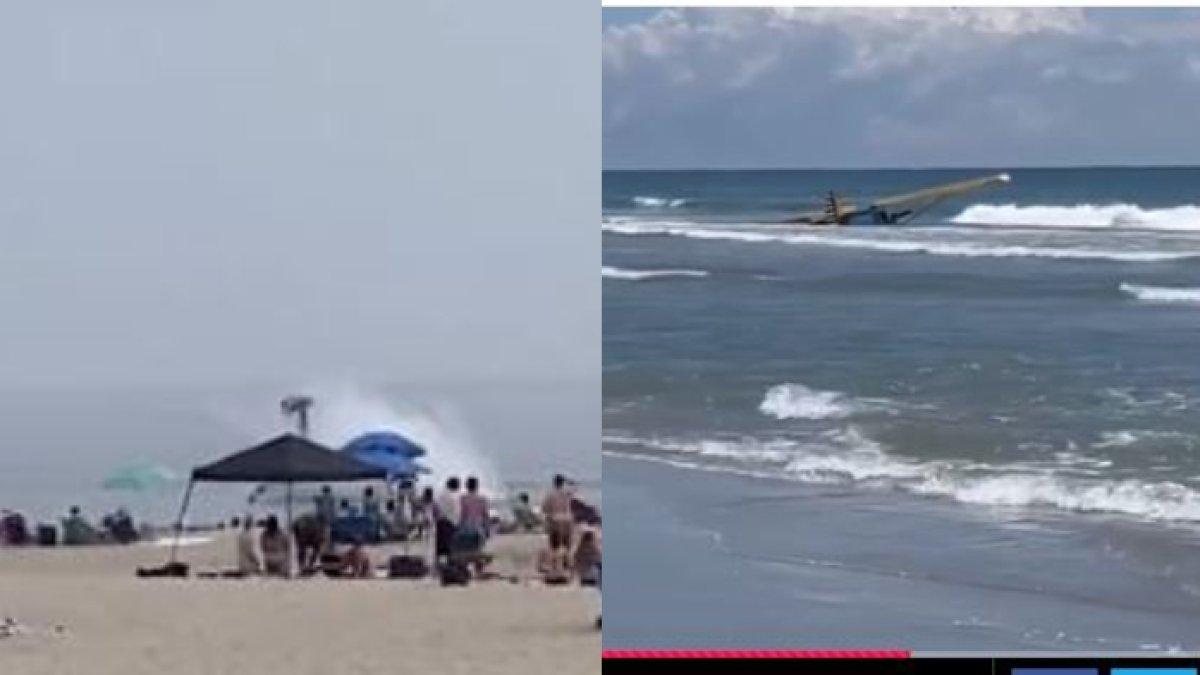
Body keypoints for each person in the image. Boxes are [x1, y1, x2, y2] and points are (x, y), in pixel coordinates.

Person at [541, 474, 575, 565]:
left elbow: (544, 509)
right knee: (567, 546)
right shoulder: (567, 494)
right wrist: (571, 483)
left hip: (555, 522)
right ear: (563, 483)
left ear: (554, 483)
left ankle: (555, 565)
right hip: (567, 521)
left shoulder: (550, 495)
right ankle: (567, 564)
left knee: (554, 546)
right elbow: (574, 491)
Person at [433, 477, 462, 565]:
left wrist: (436, 519)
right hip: (450, 523)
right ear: (455, 486)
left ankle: (438, 564)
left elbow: (435, 508)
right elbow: (457, 513)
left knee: (440, 545)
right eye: (458, 485)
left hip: (440, 522)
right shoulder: (454, 497)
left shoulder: (440, 495)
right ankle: (450, 564)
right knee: (450, 545)